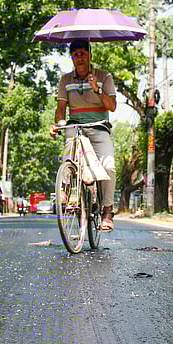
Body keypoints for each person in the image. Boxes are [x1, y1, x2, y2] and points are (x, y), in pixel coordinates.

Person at [51, 39, 117, 231]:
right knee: (68, 154)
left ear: (90, 55)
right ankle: (65, 190)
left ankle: (107, 211)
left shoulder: (104, 76)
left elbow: (112, 106)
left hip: (99, 127)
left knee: (109, 167)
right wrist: (58, 124)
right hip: (75, 126)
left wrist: (97, 88)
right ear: (72, 57)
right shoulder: (65, 80)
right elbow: (61, 108)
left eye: (83, 53)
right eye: (76, 54)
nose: (79, 58)